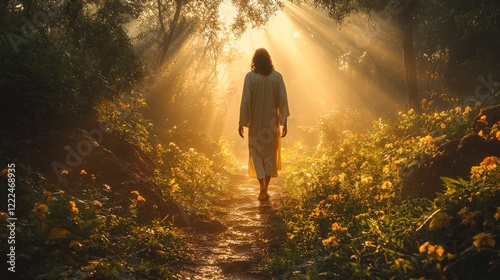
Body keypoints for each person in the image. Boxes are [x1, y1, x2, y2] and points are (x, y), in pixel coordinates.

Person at [238, 48, 290, 201]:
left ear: (255, 61)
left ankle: (261, 186)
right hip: (271, 125)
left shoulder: (250, 78)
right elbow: (283, 100)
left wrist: (242, 122)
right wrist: (284, 122)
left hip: (255, 124)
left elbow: (246, 100)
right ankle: (265, 189)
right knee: (269, 156)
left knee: (256, 154)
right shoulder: (277, 77)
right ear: (269, 60)